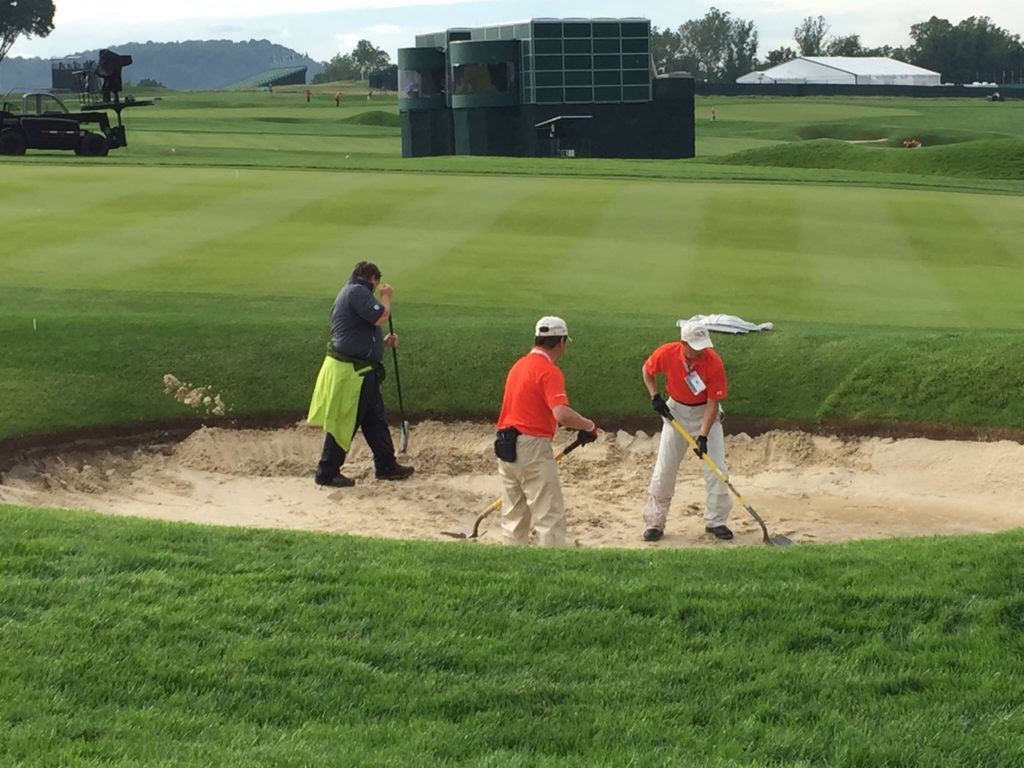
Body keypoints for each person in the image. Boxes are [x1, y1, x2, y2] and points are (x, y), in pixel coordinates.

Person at [494, 317, 599, 547]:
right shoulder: (549, 371)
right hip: (531, 447)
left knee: (514, 516)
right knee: (548, 516)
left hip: (506, 446)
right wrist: (588, 426)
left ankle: (511, 561)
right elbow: (561, 413)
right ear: (561, 342)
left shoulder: (518, 366)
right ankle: (552, 566)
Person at [308, 261, 414, 487]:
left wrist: (382, 344)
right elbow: (381, 318)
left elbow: (359, 333)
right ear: (373, 279)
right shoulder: (357, 291)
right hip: (352, 372)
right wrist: (387, 297)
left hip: (363, 370)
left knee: (375, 420)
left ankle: (386, 465)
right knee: (344, 421)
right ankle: (326, 471)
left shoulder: (351, 292)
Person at [641, 320, 733, 542]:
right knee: (665, 470)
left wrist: (702, 435)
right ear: (683, 343)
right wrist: (654, 396)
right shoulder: (667, 353)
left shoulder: (714, 363)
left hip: (705, 415)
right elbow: (647, 370)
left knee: (716, 470)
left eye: (703, 346)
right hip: (676, 414)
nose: (701, 351)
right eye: (695, 347)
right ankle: (655, 522)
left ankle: (716, 521)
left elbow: (712, 403)